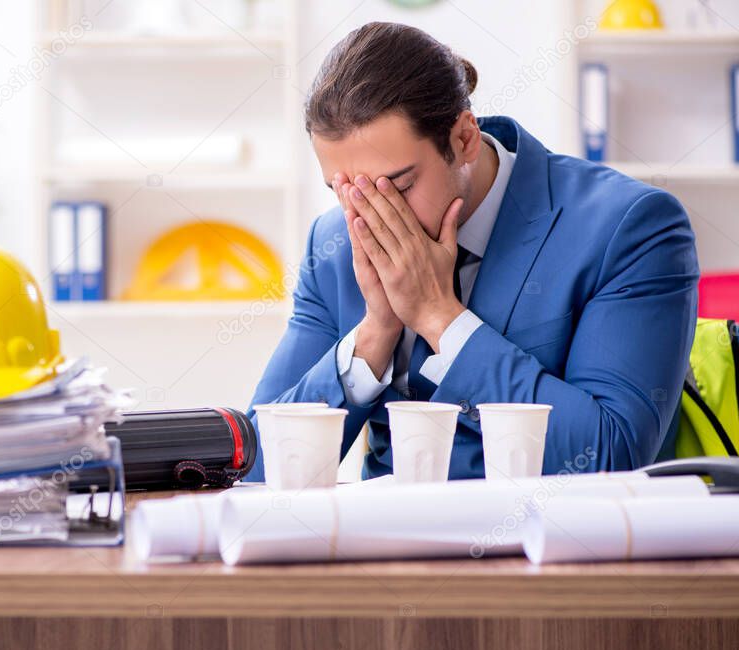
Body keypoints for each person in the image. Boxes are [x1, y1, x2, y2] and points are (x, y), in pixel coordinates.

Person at [245, 22, 699, 481]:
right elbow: (253, 465)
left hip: (553, 545)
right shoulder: (335, 247)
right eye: (344, 191)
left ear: (463, 139)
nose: (371, 217)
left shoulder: (631, 226)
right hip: (386, 546)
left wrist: (440, 318)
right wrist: (375, 335)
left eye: (397, 187)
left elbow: (613, 454)